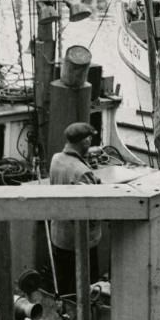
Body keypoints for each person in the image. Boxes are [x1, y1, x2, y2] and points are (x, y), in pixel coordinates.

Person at [49, 121, 101, 296]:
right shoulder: (82, 172)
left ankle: (64, 310)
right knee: (87, 286)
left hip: (59, 236)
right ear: (85, 142)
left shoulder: (56, 159)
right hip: (80, 242)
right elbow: (92, 210)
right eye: (89, 140)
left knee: (64, 282)